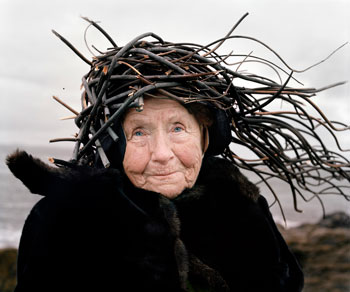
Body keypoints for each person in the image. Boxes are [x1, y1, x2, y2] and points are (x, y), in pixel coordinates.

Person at [6, 15, 349, 292]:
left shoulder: (239, 200)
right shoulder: (62, 220)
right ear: (115, 144)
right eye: (139, 132)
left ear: (203, 135)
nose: (162, 154)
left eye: (177, 128)